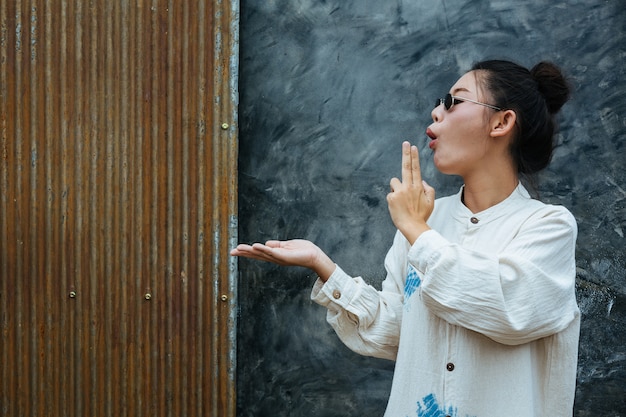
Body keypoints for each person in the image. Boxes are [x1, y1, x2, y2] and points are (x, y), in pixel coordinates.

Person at [231, 60, 580, 416]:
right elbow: (399, 332)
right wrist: (323, 266)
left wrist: (416, 229)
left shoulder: (548, 227)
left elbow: (506, 308)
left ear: (502, 122)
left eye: (453, 101)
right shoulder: (427, 221)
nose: (436, 112)